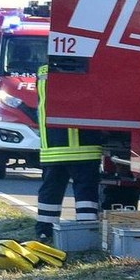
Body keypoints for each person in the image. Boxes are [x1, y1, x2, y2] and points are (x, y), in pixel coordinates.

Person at [34, 64, 100, 242]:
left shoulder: (42, 73)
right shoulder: (89, 69)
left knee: (50, 191)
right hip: (85, 149)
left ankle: (44, 233)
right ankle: (86, 236)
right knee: (85, 193)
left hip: (52, 148)